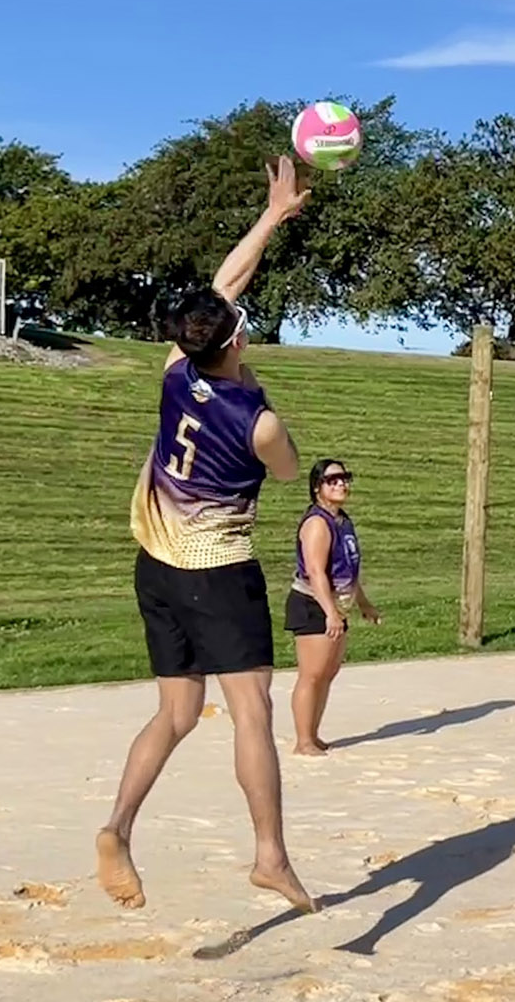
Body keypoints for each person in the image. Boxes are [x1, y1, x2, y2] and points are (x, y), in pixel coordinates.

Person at [97, 156, 316, 914]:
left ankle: (118, 829)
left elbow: (228, 281)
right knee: (251, 712)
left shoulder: (173, 367)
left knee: (178, 713)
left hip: (153, 566)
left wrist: (274, 215)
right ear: (236, 346)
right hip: (217, 573)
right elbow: (288, 474)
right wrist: (259, 399)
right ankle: (270, 857)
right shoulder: (258, 421)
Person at [287, 458, 383, 756]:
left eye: (345, 478)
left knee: (328, 673)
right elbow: (316, 572)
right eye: (333, 480)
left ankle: (313, 735)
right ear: (318, 488)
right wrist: (330, 613)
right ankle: (303, 741)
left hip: (337, 604)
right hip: (313, 603)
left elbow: (349, 572)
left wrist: (364, 605)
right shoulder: (317, 523)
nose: (342, 484)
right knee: (312, 674)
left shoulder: (343, 520)